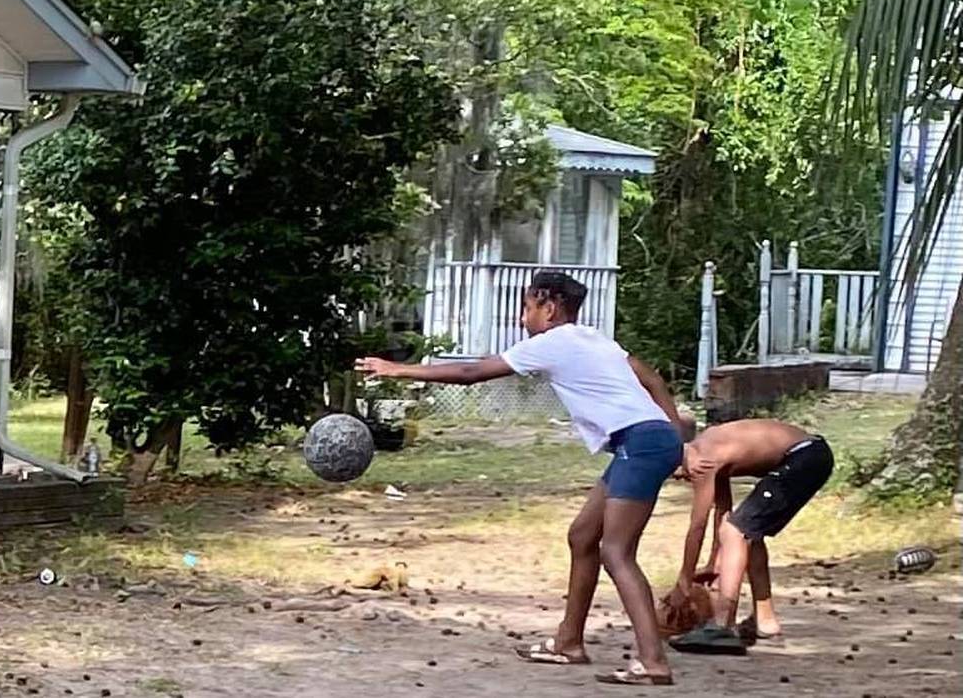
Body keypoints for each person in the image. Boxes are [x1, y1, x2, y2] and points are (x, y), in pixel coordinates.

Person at [356, 271, 687, 687]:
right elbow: (653, 380)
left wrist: (396, 370)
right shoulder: (595, 339)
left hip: (640, 443)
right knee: (583, 536)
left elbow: (471, 373)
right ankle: (569, 643)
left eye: (527, 308)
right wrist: (676, 438)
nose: (522, 318)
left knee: (616, 552)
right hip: (649, 439)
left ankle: (652, 662)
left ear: (549, 308)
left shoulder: (550, 343)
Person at [667, 418, 834, 655]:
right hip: (811, 454)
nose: (675, 477)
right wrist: (713, 562)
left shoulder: (702, 458)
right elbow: (722, 512)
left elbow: (697, 526)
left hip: (804, 457)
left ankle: (722, 624)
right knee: (747, 533)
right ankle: (766, 621)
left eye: (670, 470)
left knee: (737, 531)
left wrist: (683, 583)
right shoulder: (707, 449)